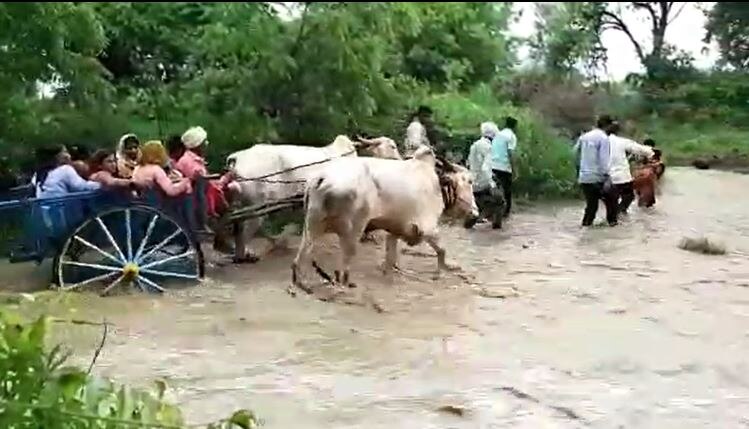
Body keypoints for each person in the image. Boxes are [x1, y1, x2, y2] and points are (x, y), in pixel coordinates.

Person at [574, 115, 617, 227]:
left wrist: (579, 172)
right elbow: (604, 159)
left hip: (584, 177)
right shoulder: (603, 138)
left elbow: (575, 154)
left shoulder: (584, 137)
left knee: (591, 205)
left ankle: (586, 225)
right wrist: (607, 176)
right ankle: (613, 226)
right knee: (611, 201)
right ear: (608, 125)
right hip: (597, 177)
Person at [606, 122, 654, 216]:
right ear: (618, 132)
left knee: (610, 199)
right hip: (621, 177)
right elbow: (640, 149)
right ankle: (620, 212)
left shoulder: (601, 141)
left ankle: (614, 215)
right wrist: (650, 153)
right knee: (629, 196)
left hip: (605, 177)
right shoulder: (621, 141)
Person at [464, 122, 505, 230]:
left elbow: (469, 163)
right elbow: (486, 168)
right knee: (500, 202)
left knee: (477, 205)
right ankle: (496, 228)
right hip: (483, 182)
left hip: (472, 182)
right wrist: (492, 184)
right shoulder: (489, 147)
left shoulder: (475, 145)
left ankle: (475, 220)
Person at [33, 146, 101, 199]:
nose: (69, 155)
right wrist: (101, 185)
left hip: (45, 212)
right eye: (65, 151)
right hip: (61, 211)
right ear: (58, 156)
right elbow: (82, 187)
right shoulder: (65, 170)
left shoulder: (38, 174)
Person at [490, 116, 518, 218]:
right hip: (504, 167)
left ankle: (492, 210)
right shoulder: (511, 136)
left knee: (493, 188)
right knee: (507, 191)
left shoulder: (498, 134)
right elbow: (511, 153)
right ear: (515, 127)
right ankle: (506, 213)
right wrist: (514, 169)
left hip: (493, 165)